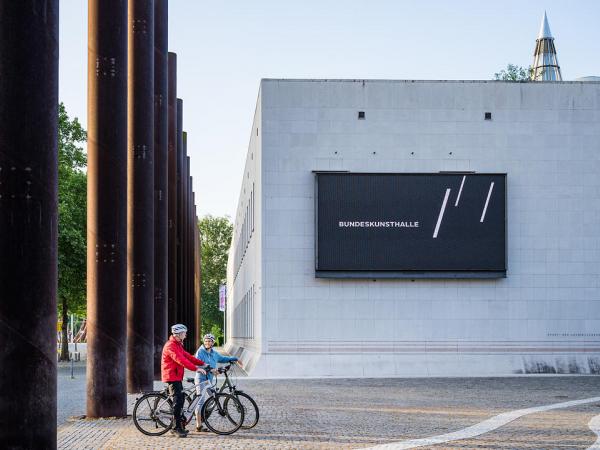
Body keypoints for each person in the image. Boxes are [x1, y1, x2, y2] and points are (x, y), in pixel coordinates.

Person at [161, 324, 207, 438]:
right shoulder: (170, 346)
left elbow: (187, 356)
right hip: (171, 376)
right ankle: (175, 428)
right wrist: (196, 369)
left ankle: (179, 424)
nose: (186, 336)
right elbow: (181, 360)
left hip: (176, 376)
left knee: (181, 399)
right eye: (184, 333)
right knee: (178, 402)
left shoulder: (178, 345)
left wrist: (202, 364)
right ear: (179, 334)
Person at [193, 333, 238, 432]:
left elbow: (223, 358)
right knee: (200, 401)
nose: (207, 343)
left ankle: (203, 414)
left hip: (209, 380)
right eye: (206, 341)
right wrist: (212, 370)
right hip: (201, 379)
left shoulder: (214, 353)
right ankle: (198, 425)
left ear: (213, 342)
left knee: (214, 397)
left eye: (209, 341)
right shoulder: (200, 352)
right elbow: (198, 365)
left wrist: (235, 359)